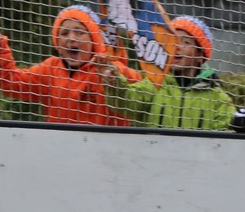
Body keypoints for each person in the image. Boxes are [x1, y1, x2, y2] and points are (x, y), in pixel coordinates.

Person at [0, 4, 142, 126]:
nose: (71, 38)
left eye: (79, 32)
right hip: (60, 151)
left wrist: (115, 76)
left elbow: (143, 92)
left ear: (94, 39)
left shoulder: (111, 68)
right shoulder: (50, 69)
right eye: (64, 33)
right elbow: (9, 81)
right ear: (57, 42)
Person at [98, 15, 235, 131]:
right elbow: (125, 103)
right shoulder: (154, 84)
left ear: (201, 56)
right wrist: (114, 83)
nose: (177, 47)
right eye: (172, 41)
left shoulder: (218, 99)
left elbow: (227, 135)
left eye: (185, 42)